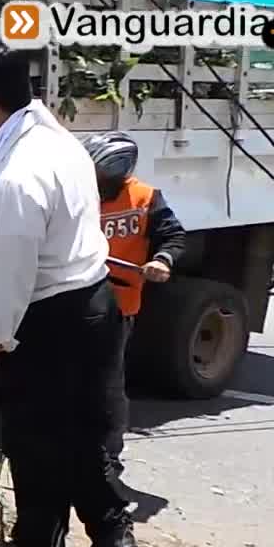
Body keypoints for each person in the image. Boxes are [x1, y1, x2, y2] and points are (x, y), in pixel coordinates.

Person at [0, 39, 136, 547]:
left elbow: (10, 276)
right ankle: (108, 537)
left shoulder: (19, 174)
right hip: (90, 301)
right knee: (79, 431)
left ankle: (38, 546)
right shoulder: (54, 138)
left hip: (51, 313)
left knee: (33, 437)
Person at [82, 131, 186, 478]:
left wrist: (163, 260)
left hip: (118, 302)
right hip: (78, 297)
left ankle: (108, 455)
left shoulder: (144, 198)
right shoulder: (80, 196)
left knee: (108, 383)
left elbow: (173, 235)